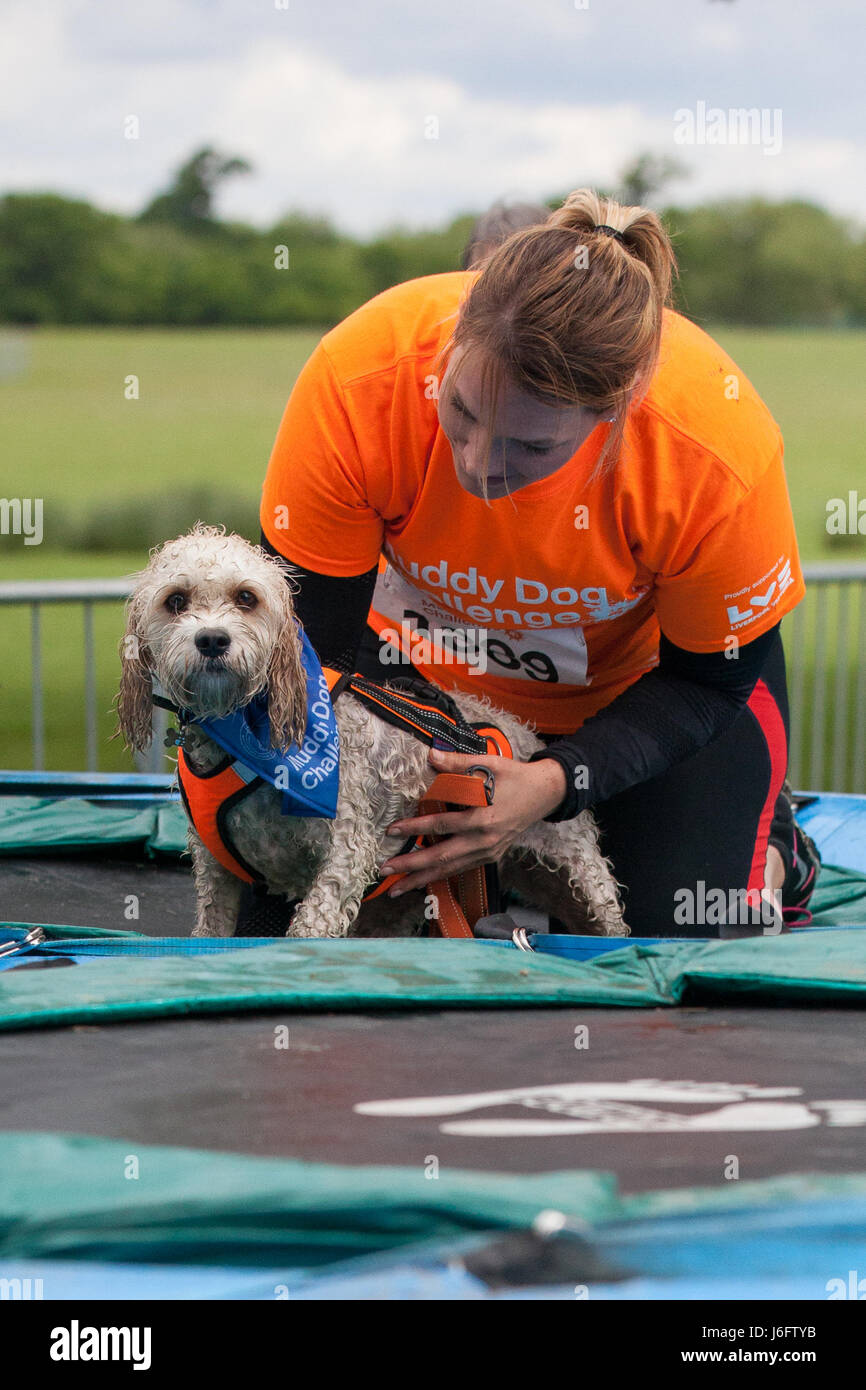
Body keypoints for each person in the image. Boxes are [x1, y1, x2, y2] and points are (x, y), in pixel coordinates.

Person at [257, 188, 819, 937]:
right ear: (454, 335)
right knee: (292, 901)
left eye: (532, 447)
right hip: (427, 678)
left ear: (617, 412)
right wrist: (410, 767)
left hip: (650, 690)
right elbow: (310, 643)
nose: (479, 467)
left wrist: (555, 784)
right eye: (460, 412)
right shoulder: (362, 375)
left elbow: (706, 682)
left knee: (684, 929)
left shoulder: (711, 446)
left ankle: (777, 848)